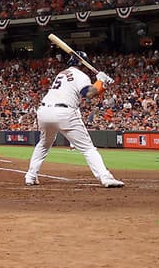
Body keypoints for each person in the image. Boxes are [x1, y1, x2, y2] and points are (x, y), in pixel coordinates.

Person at [24, 51, 124, 188]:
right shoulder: (81, 75)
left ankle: (30, 176)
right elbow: (88, 94)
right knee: (88, 148)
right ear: (83, 64)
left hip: (44, 111)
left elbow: (90, 91)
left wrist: (102, 84)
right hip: (64, 112)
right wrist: (100, 81)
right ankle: (105, 177)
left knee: (44, 143)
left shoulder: (62, 73)